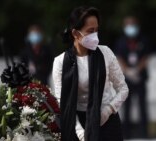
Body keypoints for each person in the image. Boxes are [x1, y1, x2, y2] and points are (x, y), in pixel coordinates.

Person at [52, 6, 129, 141]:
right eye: (90, 31)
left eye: (97, 30)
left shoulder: (105, 53)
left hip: (107, 122)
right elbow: (62, 102)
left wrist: (108, 110)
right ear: (75, 33)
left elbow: (123, 89)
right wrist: (80, 131)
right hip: (76, 123)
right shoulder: (60, 62)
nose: (95, 35)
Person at [115, 16, 150, 138]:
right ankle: (126, 135)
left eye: (133, 24)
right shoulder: (121, 41)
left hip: (140, 77)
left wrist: (137, 70)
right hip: (127, 79)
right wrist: (128, 71)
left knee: (142, 106)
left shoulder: (143, 40)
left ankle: (144, 134)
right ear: (124, 27)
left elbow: (146, 57)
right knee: (127, 108)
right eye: (128, 25)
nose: (131, 28)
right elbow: (119, 57)